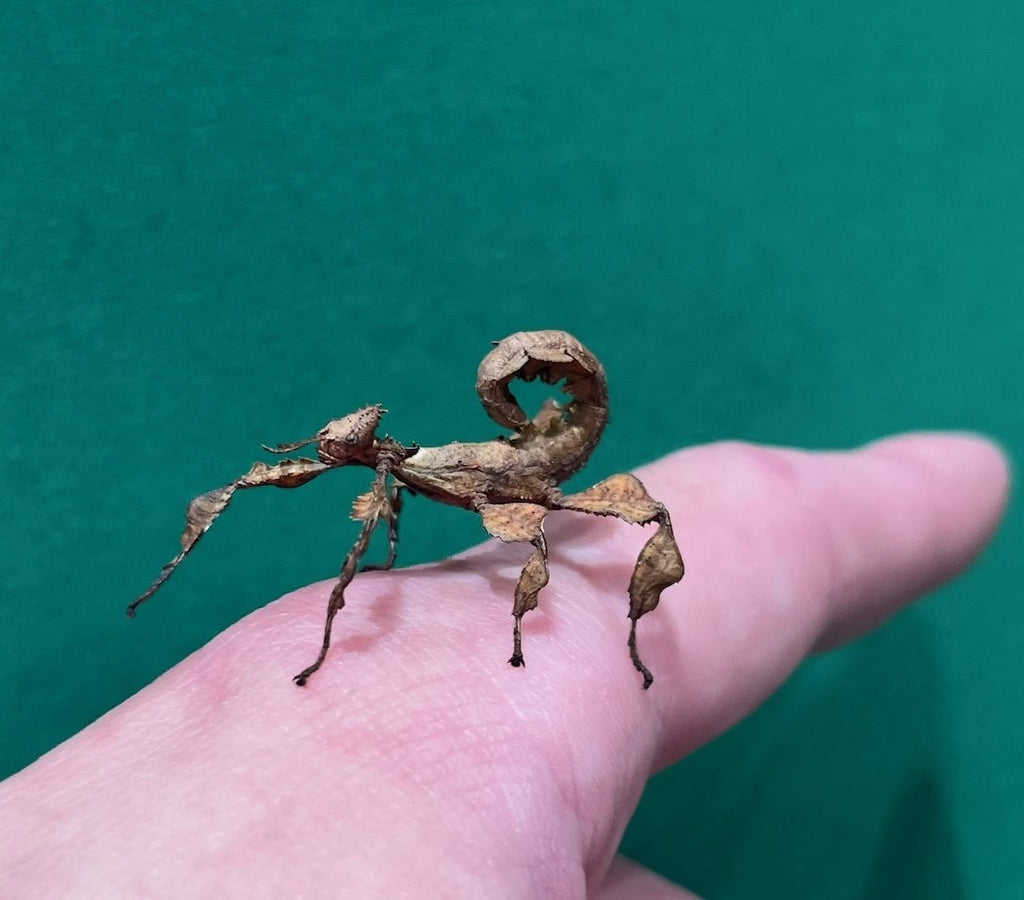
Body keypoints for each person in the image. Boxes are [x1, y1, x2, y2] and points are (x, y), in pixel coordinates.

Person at [0, 433, 1008, 898]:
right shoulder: (391, 468)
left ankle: (619, 627)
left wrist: (574, 636)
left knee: (603, 527)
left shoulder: (476, 472)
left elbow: (524, 529)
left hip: (529, 481)